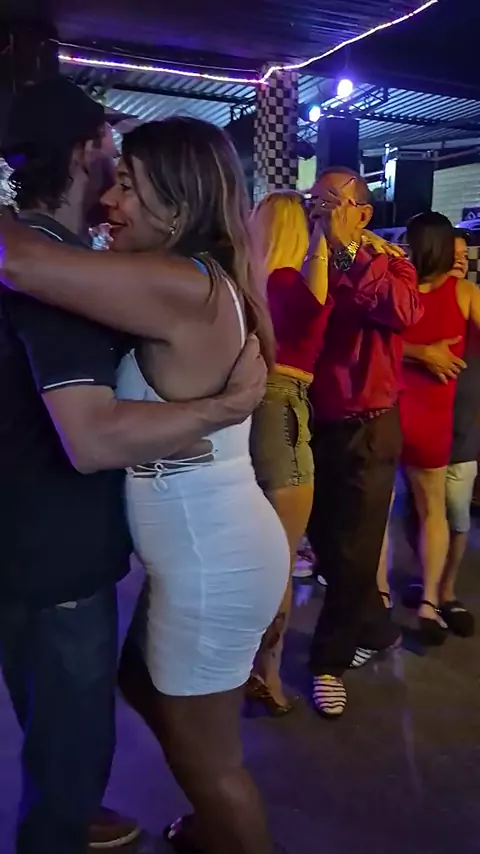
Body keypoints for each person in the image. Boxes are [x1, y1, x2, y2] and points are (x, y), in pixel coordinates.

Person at [0, 115, 291, 854]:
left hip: (212, 559)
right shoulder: (188, 277)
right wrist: (203, 418)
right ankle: (216, 824)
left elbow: (19, 262)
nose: (110, 200)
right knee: (140, 683)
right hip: (206, 546)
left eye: (128, 185)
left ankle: (229, 830)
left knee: (212, 763)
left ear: (178, 201)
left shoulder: (181, 282)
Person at [306, 167, 423, 718]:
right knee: (324, 540)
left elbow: (402, 312)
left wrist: (348, 252)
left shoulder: (389, 262)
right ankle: (375, 625)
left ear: (363, 213)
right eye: (314, 201)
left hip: (370, 422)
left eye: (332, 201)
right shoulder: (302, 256)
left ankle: (327, 662)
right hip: (313, 418)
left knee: (355, 547)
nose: (320, 210)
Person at [247, 190, 333, 715]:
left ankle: (248, 665)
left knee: (258, 549)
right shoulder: (285, 282)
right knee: (279, 557)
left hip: (253, 407)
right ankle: (267, 673)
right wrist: (326, 236)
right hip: (283, 406)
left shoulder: (250, 284)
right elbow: (318, 301)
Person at [380, 228, 478, 638]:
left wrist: (412, 352)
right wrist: (428, 353)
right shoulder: (464, 293)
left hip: (385, 412)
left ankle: (381, 596)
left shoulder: (392, 286)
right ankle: (430, 603)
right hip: (431, 420)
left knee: (379, 512)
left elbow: (369, 342)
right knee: (433, 511)